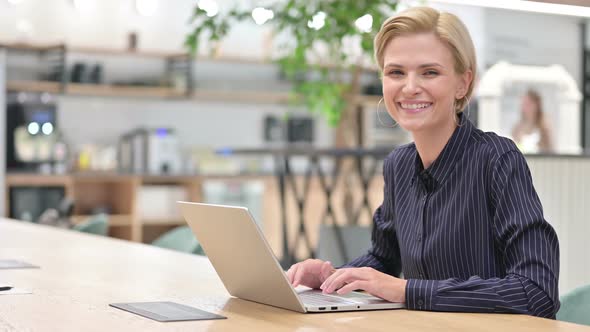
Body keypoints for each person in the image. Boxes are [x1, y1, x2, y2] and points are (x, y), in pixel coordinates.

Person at [286, 6, 560, 318]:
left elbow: (536, 292)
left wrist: (407, 290)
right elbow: (383, 259)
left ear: (462, 83)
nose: (410, 86)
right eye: (396, 72)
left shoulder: (497, 160)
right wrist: (330, 278)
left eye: (429, 72)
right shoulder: (398, 165)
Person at [512, 89, 554, 153]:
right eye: (523, 104)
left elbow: (550, 149)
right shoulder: (518, 126)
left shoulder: (544, 125)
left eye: (527, 104)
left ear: (536, 105)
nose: (524, 107)